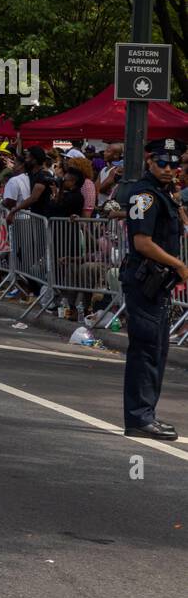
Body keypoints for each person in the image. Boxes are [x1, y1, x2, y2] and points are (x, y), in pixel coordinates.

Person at [119, 139, 187, 441]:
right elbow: (142, 243)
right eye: (163, 163)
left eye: (175, 164)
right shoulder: (144, 195)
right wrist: (180, 265)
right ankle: (139, 417)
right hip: (144, 281)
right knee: (146, 351)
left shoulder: (164, 195)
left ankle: (146, 415)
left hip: (158, 284)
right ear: (149, 161)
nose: (169, 169)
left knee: (157, 351)